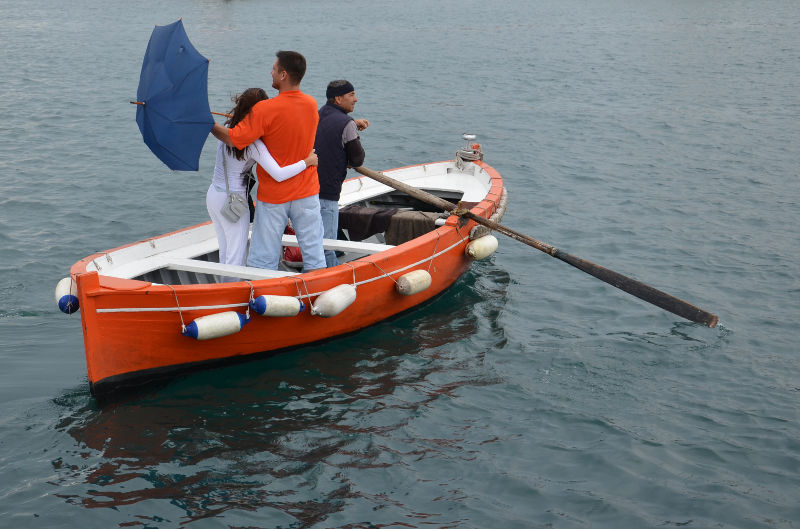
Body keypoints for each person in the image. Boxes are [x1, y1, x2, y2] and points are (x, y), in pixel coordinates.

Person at [212, 51, 325, 272]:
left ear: (283, 75)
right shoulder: (311, 104)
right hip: (307, 190)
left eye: (274, 69)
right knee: (314, 253)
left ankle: (265, 292)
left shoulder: (264, 109)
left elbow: (234, 139)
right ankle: (317, 288)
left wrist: (207, 124)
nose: (270, 72)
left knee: (263, 259)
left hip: (274, 196)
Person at [314, 80, 369, 267]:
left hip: (308, 189)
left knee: (314, 241)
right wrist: (352, 126)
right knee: (327, 245)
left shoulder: (318, 114)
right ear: (338, 99)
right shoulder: (346, 124)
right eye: (351, 95)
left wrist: (352, 123)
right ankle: (330, 278)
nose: (356, 99)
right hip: (327, 192)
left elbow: (328, 132)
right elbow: (357, 159)